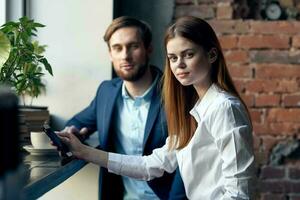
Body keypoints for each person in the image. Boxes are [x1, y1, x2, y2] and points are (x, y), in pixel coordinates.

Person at [58, 16, 256, 199]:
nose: (180, 65)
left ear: (211, 55)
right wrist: (84, 152)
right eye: (173, 58)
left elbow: (238, 193)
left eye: (188, 54)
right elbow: (151, 165)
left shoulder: (224, 108)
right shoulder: (194, 109)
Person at [59, 16, 186, 200]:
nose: (125, 56)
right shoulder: (106, 92)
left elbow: (185, 162)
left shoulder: (176, 93)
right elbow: (77, 122)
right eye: (117, 48)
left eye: (133, 46)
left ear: (148, 49)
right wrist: (76, 132)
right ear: (110, 54)